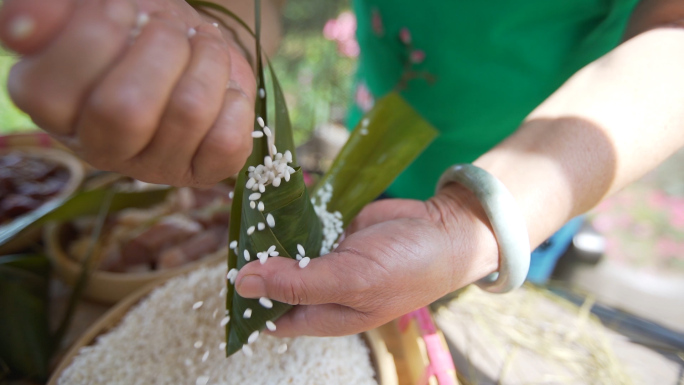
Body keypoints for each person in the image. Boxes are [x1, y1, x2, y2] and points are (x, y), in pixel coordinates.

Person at [1, 0, 683, 338]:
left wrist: (477, 219)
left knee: (474, 316)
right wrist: (215, 47)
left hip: (536, 181)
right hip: (378, 137)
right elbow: (251, 11)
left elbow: (671, 39)